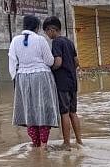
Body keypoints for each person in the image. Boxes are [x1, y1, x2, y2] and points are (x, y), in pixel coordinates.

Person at [9, 15, 59, 152]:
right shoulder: (40, 40)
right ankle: (44, 145)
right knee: (43, 110)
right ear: (37, 27)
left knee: (29, 112)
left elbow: (12, 65)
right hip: (42, 77)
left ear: (24, 26)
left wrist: (17, 81)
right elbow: (49, 61)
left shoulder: (15, 41)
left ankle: (35, 144)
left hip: (22, 78)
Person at [42, 16, 82, 150]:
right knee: (73, 112)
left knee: (64, 113)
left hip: (62, 84)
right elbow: (77, 62)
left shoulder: (56, 42)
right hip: (73, 82)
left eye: (47, 32)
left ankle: (66, 143)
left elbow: (57, 62)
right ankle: (79, 141)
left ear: (52, 30)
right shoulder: (69, 42)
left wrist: (50, 69)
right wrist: (69, 69)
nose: (47, 35)